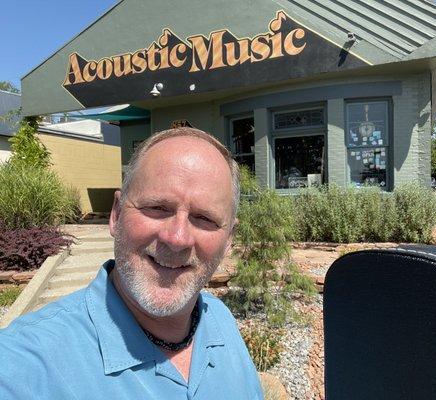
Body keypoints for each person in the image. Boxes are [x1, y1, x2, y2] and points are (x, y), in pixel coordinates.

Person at [0, 127, 264, 399]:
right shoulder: (24, 365)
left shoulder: (220, 319)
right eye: (158, 208)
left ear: (229, 239)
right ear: (115, 215)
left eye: (204, 218)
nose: (177, 238)